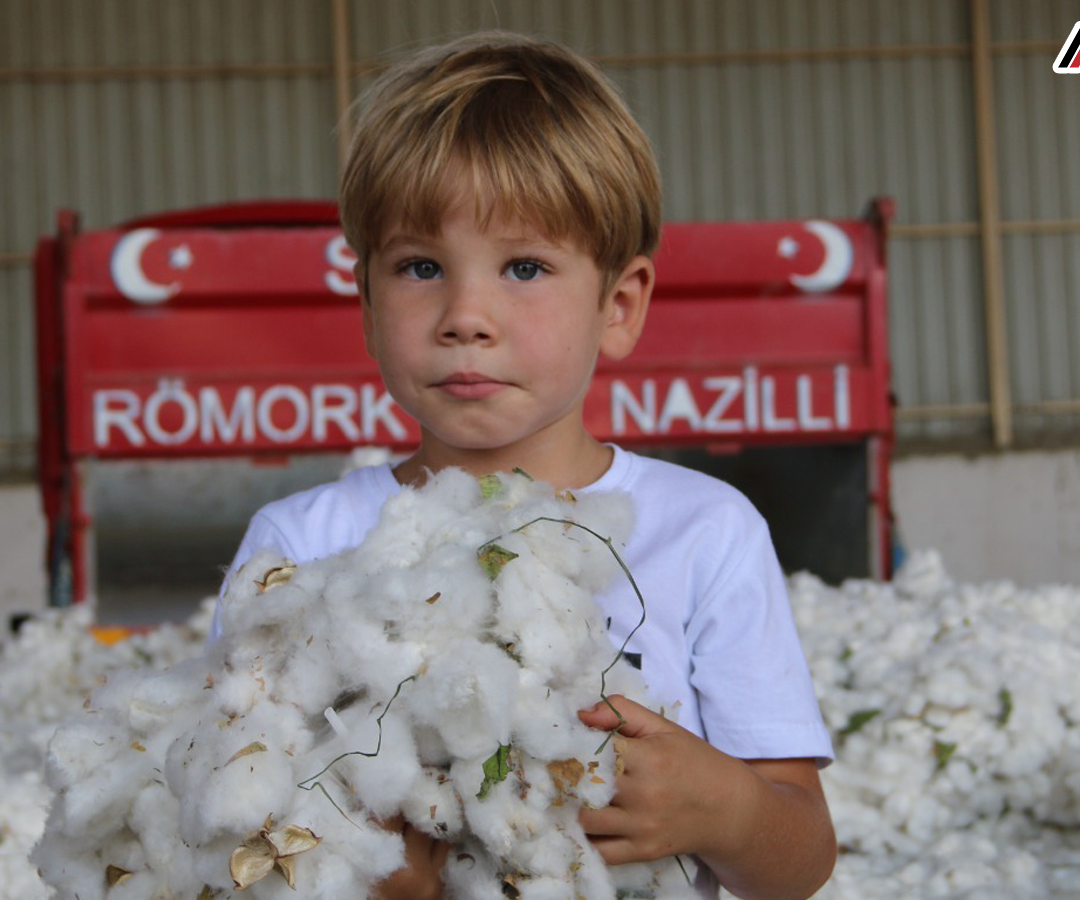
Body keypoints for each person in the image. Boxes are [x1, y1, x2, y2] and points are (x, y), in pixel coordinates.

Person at [222, 30, 836, 900]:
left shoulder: (704, 533)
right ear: (365, 304)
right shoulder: (299, 545)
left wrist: (726, 810)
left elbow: (800, 859)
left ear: (618, 307)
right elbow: (230, 827)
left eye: (524, 267)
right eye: (421, 266)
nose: (466, 315)